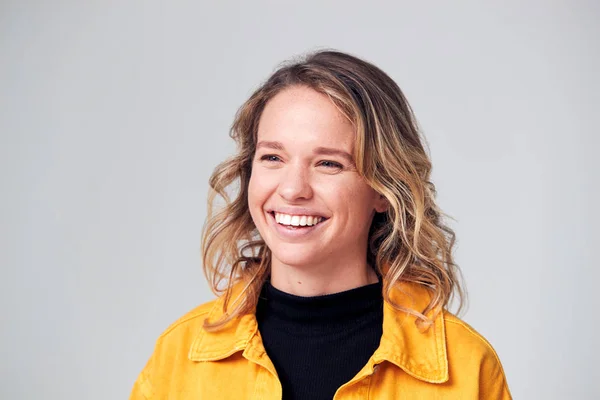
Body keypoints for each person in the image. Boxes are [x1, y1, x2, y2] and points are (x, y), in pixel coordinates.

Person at [129, 50, 512, 399]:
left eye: (329, 163)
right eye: (273, 157)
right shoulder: (179, 358)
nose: (293, 189)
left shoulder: (466, 368)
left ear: (383, 188)